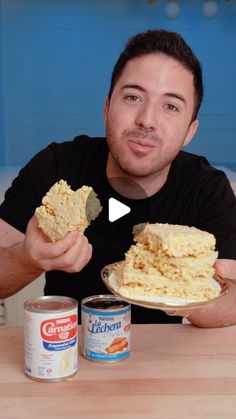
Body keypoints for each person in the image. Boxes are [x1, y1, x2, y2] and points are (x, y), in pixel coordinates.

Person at [0, 29, 236, 327]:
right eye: (133, 97)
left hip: (162, 361)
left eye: (171, 106)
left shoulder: (207, 189)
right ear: (107, 108)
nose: (147, 120)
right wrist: (26, 258)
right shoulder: (59, 167)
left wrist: (181, 287)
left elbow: (233, 301)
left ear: (190, 131)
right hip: (67, 350)